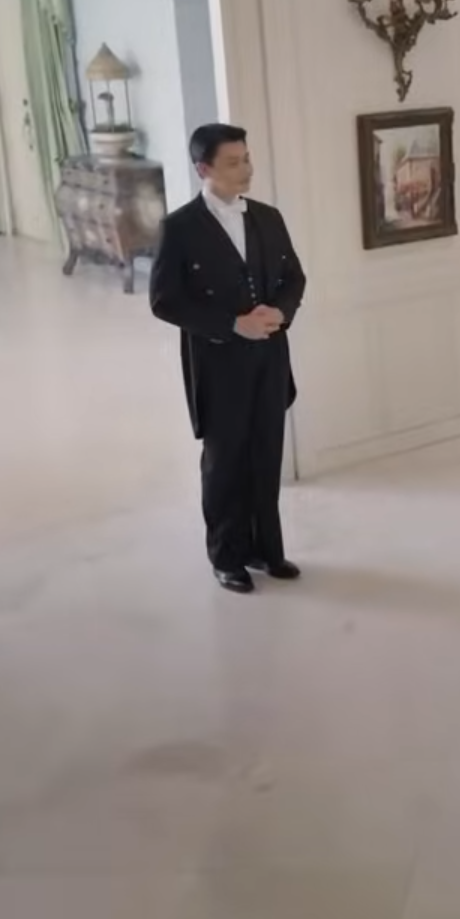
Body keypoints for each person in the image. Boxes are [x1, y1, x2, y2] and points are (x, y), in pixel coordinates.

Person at [149, 124, 307, 593]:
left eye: (247, 158)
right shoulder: (178, 228)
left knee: (266, 453)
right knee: (224, 463)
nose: (246, 169)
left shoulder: (268, 217)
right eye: (234, 162)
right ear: (204, 169)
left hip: (270, 359)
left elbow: (294, 278)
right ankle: (227, 557)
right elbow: (164, 301)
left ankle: (266, 551)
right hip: (218, 366)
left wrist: (281, 311)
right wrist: (231, 324)